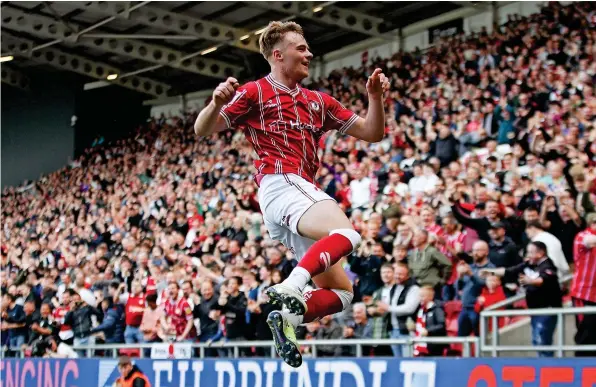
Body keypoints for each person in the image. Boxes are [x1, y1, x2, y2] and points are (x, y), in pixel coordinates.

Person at [194, 20, 390, 367]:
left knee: (343, 293)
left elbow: (373, 133)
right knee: (346, 232)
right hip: (281, 180)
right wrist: (214, 103)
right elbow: (203, 129)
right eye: (301, 48)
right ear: (278, 54)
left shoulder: (320, 101)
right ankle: (293, 284)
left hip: (297, 194)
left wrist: (374, 97)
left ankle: (290, 320)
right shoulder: (255, 92)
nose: (309, 53)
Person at [481, 241, 562, 357]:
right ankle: (544, 365)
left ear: (540, 253)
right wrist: (490, 271)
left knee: (542, 340)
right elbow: (509, 271)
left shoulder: (548, 264)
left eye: (530, 252)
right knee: (537, 341)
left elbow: (544, 279)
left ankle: (548, 368)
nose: (528, 255)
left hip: (547, 310)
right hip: (535, 310)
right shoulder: (528, 264)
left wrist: (530, 281)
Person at [571, 213, 596, 356]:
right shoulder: (582, 236)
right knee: (585, 333)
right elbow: (590, 241)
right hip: (584, 294)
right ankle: (581, 368)